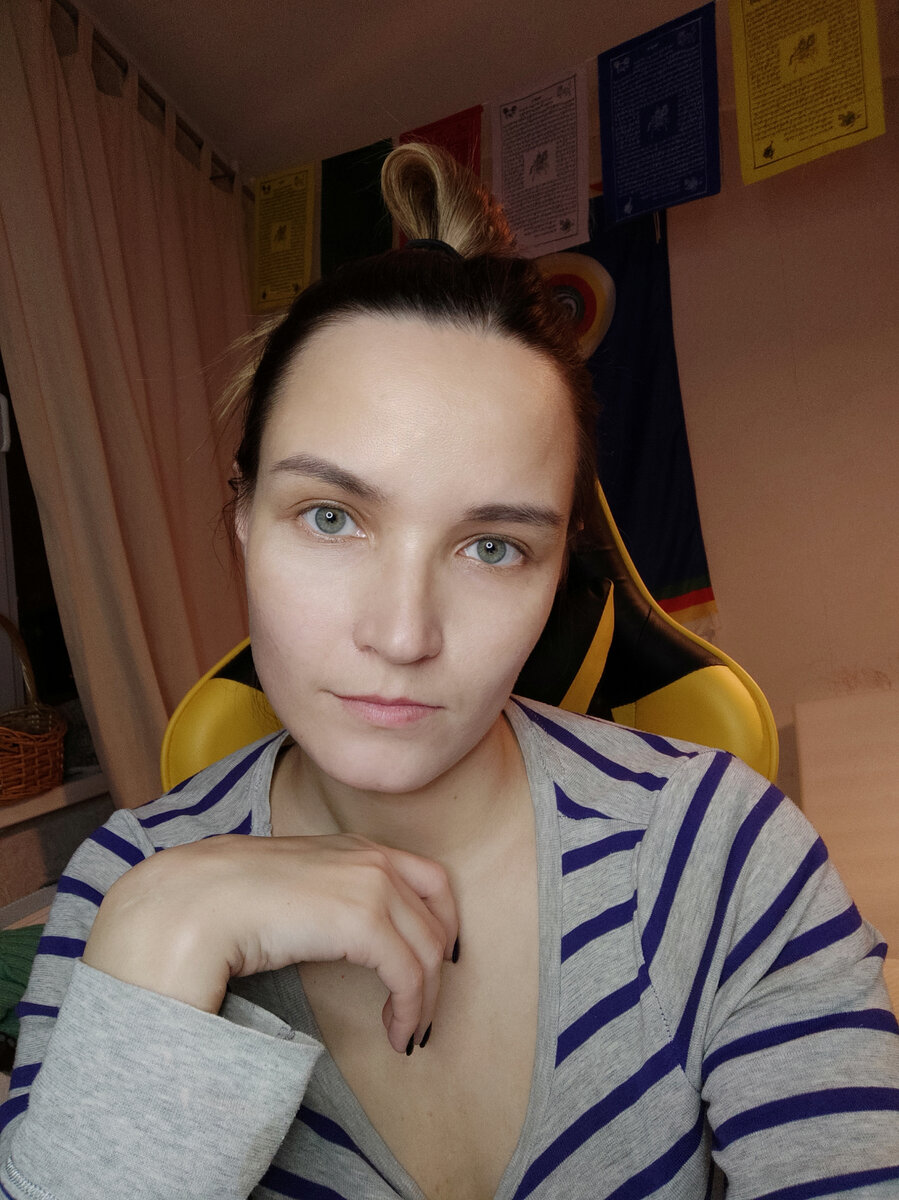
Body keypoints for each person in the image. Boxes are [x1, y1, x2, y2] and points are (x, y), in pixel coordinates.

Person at [1, 143, 897, 1200]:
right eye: (330, 518)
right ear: (242, 519)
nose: (401, 633)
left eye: (492, 546)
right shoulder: (125, 885)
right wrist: (162, 938)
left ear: (557, 571)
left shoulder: (719, 850)